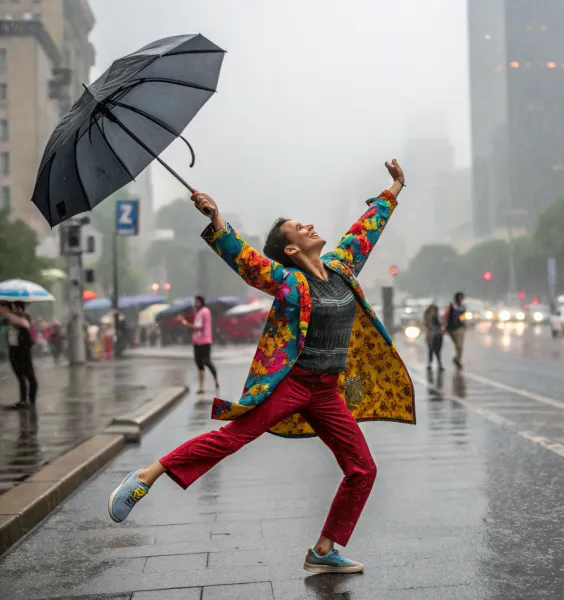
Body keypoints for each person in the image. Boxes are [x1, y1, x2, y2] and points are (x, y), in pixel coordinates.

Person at [107, 159, 415, 575]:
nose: (308, 227)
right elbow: (245, 260)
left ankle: (324, 550)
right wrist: (216, 218)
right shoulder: (289, 282)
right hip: (291, 383)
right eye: (298, 229)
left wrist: (394, 188)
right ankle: (147, 475)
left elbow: (367, 229)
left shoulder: (342, 268)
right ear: (291, 250)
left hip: (326, 391)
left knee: (363, 468)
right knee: (234, 438)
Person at [0, 302, 37, 409]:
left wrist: (8, 314)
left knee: (30, 376)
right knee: (20, 376)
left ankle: (31, 400)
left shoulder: (24, 316)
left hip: (23, 350)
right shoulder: (7, 319)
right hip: (13, 350)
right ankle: (22, 400)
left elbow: (25, 324)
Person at [179, 296, 219, 393]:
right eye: (195, 302)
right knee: (199, 363)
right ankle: (201, 387)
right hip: (197, 341)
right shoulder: (201, 312)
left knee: (206, 361)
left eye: (197, 302)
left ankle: (215, 380)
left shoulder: (203, 312)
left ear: (201, 302)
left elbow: (198, 327)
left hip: (204, 341)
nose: (195, 304)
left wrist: (184, 322)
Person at [444, 291, 467, 369]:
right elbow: (447, 317)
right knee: (457, 345)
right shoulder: (452, 306)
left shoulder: (463, 307)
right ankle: (457, 359)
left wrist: (464, 324)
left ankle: (457, 359)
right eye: (459, 297)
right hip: (452, 329)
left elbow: (464, 318)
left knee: (459, 345)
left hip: (460, 328)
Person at [423, 303, 443, 371]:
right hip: (430, 336)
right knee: (431, 349)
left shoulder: (438, 317)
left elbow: (442, 325)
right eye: (432, 310)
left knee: (437, 350)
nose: (433, 312)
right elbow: (425, 325)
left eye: (434, 310)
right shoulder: (427, 317)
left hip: (438, 335)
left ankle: (439, 364)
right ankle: (430, 363)